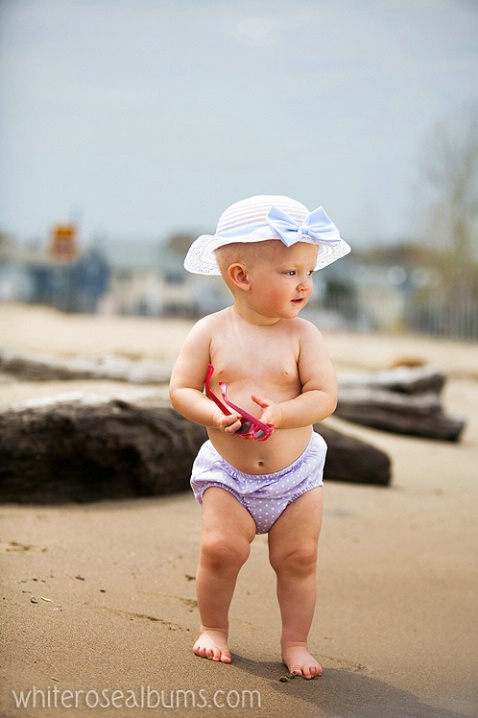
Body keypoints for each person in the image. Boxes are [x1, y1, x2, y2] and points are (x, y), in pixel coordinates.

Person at [169, 195, 350, 679]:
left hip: (296, 476)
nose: (305, 285)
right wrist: (212, 412)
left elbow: (324, 395)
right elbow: (181, 389)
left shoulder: (302, 336)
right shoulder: (210, 331)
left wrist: (286, 412)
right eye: (292, 273)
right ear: (241, 277)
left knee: (299, 557)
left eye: (310, 273)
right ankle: (214, 629)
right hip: (229, 475)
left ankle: (295, 642)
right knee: (221, 549)